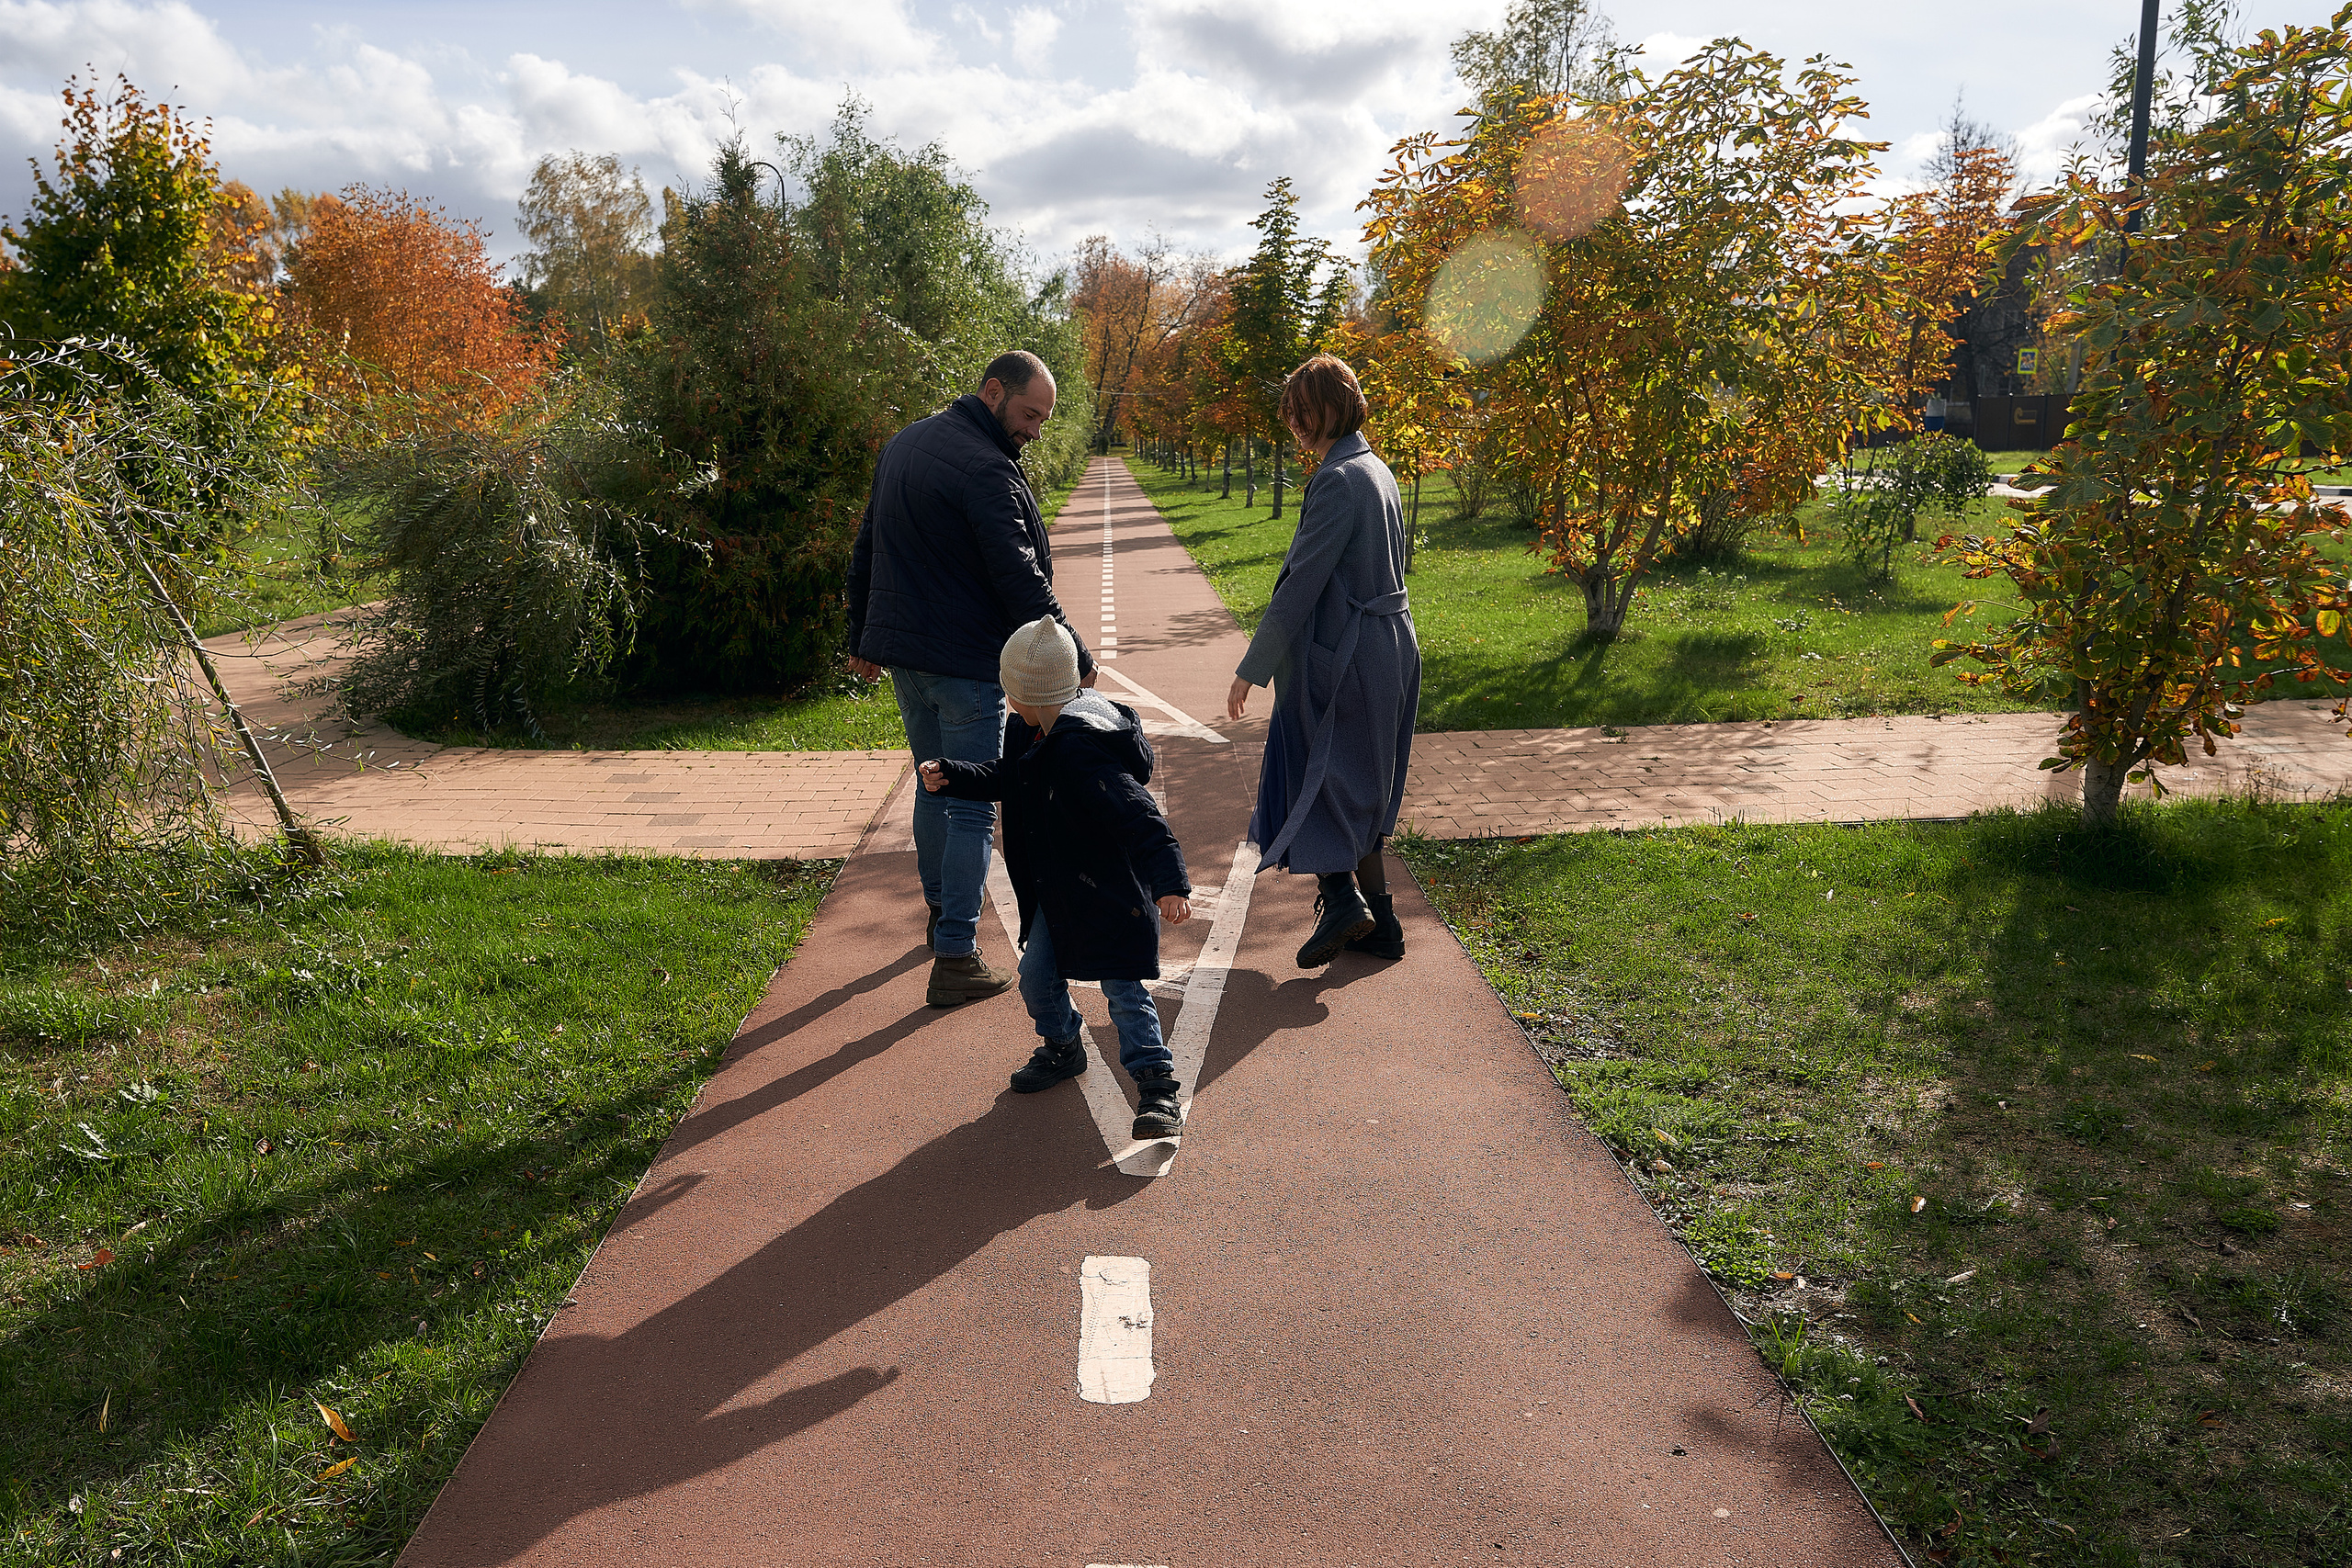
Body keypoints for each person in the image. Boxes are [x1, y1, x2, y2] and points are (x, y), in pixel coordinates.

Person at [847, 351, 1097, 1009]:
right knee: (972, 804)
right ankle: (956, 953)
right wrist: (1072, 651)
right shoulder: (986, 467)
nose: (1034, 430)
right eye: (1029, 414)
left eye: (1043, 419)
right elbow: (1018, 576)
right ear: (992, 392)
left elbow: (867, 545)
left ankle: (941, 917)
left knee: (935, 784)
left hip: (911, 662)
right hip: (966, 663)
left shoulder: (905, 443)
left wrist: (860, 635)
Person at [922, 618, 1194, 1138]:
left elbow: (1143, 819)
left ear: (1026, 693)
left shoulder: (1083, 750)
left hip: (1109, 893)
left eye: (1010, 690)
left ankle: (1157, 1087)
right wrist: (955, 774)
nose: (1008, 700)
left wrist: (1170, 884)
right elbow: (1012, 778)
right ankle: (1064, 1044)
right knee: (1036, 978)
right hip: (1058, 891)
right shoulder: (1030, 731)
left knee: (1123, 989)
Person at [1226, 354, 1420, 968]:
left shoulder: (1338, 479)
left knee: (1315, 771)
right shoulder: (1376, 469)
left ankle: (1340, 900)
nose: (1295, 424)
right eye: (1291, 414)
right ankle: (1380, 922)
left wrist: (1251, 668)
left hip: (1348, 657)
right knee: (1360, 784)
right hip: (1387, 646)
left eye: (1304, 412)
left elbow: (1301, 585)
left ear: (1335, 408)